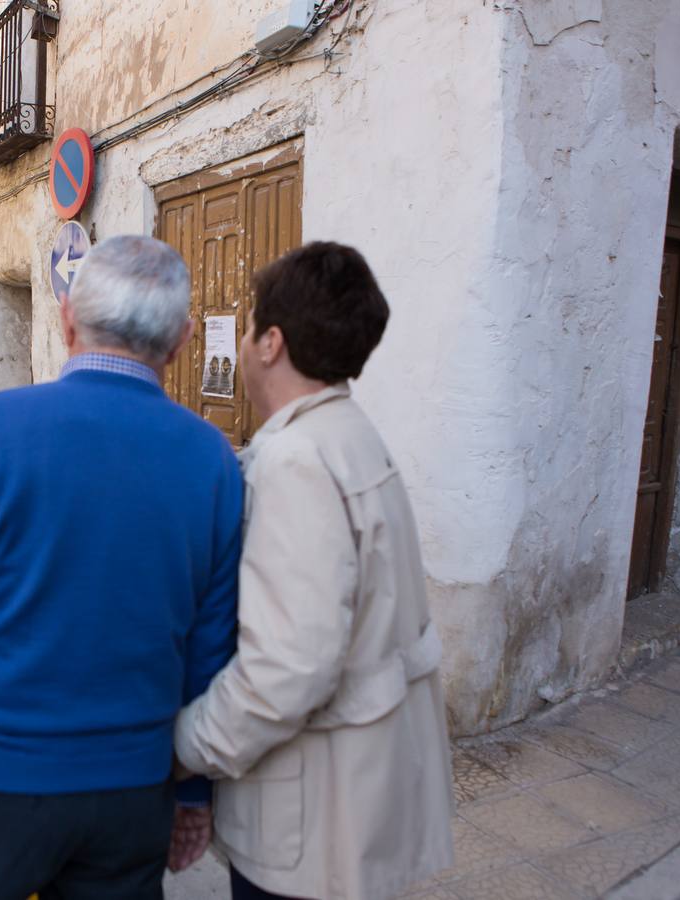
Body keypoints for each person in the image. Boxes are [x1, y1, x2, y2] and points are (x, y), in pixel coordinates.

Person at [0, 236, 243, 899]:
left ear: (67, 321)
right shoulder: (211, 458)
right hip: (131, 790)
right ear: (179, 341)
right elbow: (211, 648)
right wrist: (195, 790)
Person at [173, 243, 454, 900]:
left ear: (270, 343)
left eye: (248, 328)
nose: (242, 343)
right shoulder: (351, 435)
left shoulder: (296, 462)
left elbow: (288, 670)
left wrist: (185, 744)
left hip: (313, 829)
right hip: (358, 803)